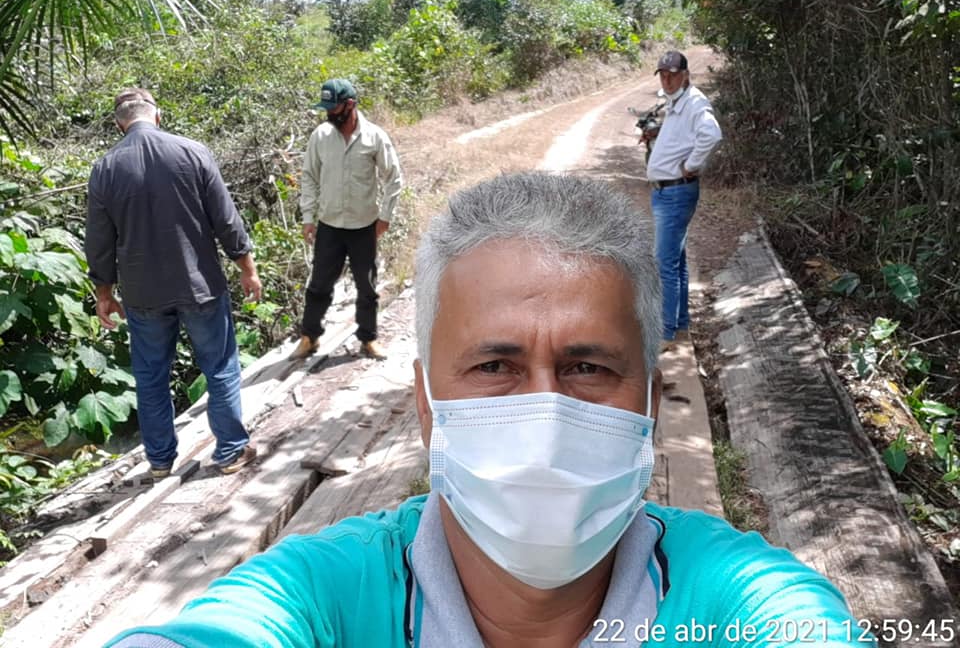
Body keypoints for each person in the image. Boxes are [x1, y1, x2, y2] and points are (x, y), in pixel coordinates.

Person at [104, 172, 873, 648]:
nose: (544, 417)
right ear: (427, 405)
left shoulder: (735, 598)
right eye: (496, 365)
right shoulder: (322, 597)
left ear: (646, 398)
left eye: (587, 365)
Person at [85, 87, 260, 478]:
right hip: (199, 285)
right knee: (219, 367)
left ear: (119, 124)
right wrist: (247, 268)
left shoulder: (105, 168)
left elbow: (98, 239)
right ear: (157, 116)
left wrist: (104, 293)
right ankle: (231, 451)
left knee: (150, 378)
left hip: (143, 294)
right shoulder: (192, 151)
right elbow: (225, 218)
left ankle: (160, 462)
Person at [289, 78, 403, 361]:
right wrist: (308, 217)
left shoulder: (375, 137)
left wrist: (385, 217)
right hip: (329, 226)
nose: (329, 113)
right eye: (326, 108)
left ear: (350, 105)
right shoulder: (321, 137)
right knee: (318, 286)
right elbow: (309, 177)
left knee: (367, 287)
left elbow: (394, 178)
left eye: (334, 107)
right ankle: (310, 337)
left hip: (364, 227)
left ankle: (368, 339)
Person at [644, 50, 722, 345]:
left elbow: (711, 134)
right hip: (669, 191)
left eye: (673, 75)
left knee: (664, 264)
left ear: (686, 75)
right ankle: (679, 324)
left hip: (676, 192)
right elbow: (684, 135)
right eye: (663, 75)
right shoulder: (678, 100)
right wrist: (658, 135)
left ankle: (664, 333)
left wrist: (691, 165)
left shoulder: (694, 102)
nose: (667, 79)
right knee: (676, 262)